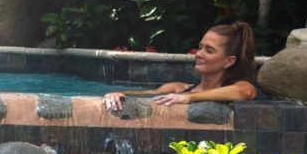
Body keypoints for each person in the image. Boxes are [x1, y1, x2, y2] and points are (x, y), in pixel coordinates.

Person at [103, 21, 257, 112]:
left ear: (229, 61)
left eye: (209, 50)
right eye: (200, 47)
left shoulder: (239, 87)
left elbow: (246, 92)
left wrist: (189, 98)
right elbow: (145, 94)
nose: (198, 54)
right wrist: (117, 94)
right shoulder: (176, 89)